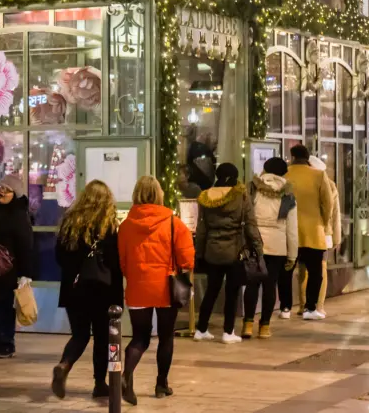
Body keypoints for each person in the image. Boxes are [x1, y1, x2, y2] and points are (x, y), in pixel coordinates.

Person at [117, 176, 194, 405]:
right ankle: (161, 384)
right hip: (165, 288)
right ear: (159, 194)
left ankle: (126, 375)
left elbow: (122, 261)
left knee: (140, 337)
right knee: (166, 336)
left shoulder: (126, 225)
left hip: (138, 287)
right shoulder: (173, 223)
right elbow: (187, 259)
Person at [51, 180, 123, 400]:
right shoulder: (110, 227)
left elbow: (60, 258)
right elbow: (116, 264)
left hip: (75, 291)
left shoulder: (69, 223)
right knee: (103, 338)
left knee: (80, 335)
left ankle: (64, 364)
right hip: (103, 291)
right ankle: (100, 384)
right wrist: (118, 299)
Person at [194, 163, 262, 343]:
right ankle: (228, 332)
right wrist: (258, 247)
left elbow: (201, 229)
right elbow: (250, 224)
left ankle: (201, 329)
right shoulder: (240, 195)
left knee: (211, 290)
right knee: (232, 292)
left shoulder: (206, 197)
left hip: (212, 251)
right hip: (235, 251)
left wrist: (199, 253)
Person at [0, 174, 35, 359]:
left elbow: (25, 244)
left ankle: (6, 343)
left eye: (7, 189)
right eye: (0, 187)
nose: (1, 191)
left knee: (2, 305)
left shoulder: (18, 214)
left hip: (8, 268)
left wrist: (25, 273)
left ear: (15, 194)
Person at [242, 157, 298, 339]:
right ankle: (264, 326)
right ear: (284, 173)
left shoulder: (252, 188)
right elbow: (292, 229)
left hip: (255, 243)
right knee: (269, 286)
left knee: (252, 285)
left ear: (265, 169)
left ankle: (247, 325)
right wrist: (292, 255)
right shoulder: (288, 195)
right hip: (277, 246)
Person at [285, 145, 332, 319]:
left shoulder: (285, 176)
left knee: (287, 272)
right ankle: (310, 308)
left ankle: (285, 307)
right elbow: (328, 204)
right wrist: (323, 223)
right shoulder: (319, 175)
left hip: (288, 233)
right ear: (307, 158)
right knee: (315, 272)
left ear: (292, 157)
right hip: (313, 232)